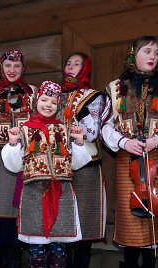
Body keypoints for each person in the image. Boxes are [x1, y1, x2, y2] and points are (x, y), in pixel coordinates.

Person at [101, 36, 158, 268]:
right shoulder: (115, 88)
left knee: (155, 210)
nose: (153, 57)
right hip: (128, 158)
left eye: (157, 53)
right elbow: (104, 125)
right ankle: (130, 263)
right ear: (133, 54)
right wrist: (124, 142)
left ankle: (150, 265)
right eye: (147, 51)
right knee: (130, 211)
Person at [1, 81, 92, 267]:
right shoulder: (25, 129)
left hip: (62, 194)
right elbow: (14, 165)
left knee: (59, 247)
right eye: (44, 99)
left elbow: (75, 163)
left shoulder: (64, 129)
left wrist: (80, 142)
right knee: (36, 247)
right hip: (34, 194)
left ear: (58, 105)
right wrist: (12, 143)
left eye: (53, 101)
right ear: (36, 101)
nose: (48, 105)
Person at [0, 49, 36, 268]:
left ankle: (21, 249)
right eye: (7, 65)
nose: (12, 70)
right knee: (3, 204)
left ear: (23, 68)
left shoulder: (33, 92)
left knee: (26, 202)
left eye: (16, 66)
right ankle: (6, 250)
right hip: (0, 154)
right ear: (1, 68)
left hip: (29, 152)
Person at [58, 52, 108, 268]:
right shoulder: (55, 93)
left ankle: (82, 262)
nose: (71, 67)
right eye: (68, 63)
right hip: (59, 161)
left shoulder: (93, 96)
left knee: (86, 213)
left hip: (87, 160)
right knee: (64, 214)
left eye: (77, 64)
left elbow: (91, 131)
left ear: (85, 68)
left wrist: (65, 129)